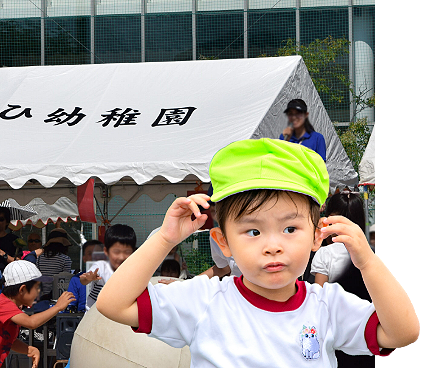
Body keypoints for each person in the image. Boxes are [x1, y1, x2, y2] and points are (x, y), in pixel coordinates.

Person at [97, 138, 419, 367]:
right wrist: (164, 239)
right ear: (223, 242)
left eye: (290, 229)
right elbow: (113, 304)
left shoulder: (326, 306)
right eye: (253, 231)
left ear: (316, 235)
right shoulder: (205, 300)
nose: (273, 245)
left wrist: (367, 262)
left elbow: (403, 332)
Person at [0, 260, 76, 368]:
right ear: (22, 290)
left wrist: (30, 349)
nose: (39, 292)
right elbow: (31, 322)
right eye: (37, 288)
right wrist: (58, 307)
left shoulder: (9, 306)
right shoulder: (3, 304)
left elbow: (8, 340)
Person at [310, 190, 382, 368]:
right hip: (364, 329)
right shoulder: (369, 255)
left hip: (336, 335)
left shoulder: (325, 254)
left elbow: (317, 299)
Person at [80, 224, 136, 310]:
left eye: (127, 252)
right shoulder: (100, 266)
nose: (121, 257)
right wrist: (89, 278)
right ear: (106, 251)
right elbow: (83, 281)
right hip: (95, 316)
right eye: (116, 252)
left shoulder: (134, 271)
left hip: (118, 317)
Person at [36, 228, 72, 300]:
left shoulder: (39, 258)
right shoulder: (65, 259)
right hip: (58, 297)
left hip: (42, 297)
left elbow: (38, 279)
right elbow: (65, 280)